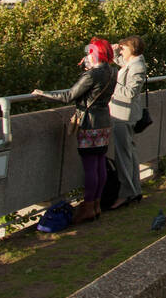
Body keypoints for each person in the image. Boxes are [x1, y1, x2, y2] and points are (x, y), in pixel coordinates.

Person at [32, 38, 117, 224]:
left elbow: (68, 96)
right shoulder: (113, 71)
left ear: (95, 54)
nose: (87, 56)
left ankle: (87, 207)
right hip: (104, 121)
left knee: (90, 167)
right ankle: (96, 205)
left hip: (89, 124)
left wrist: (41, 95)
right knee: (100, 163)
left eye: (90, 52)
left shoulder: (92, 75)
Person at [107, 35, 148, 210]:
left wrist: (110, 83)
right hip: (123, 114)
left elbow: (130, 92)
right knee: (129, 154)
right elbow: (115, 60)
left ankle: (126, 194)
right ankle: (135, 190)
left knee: (123, 157)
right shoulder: (131, 63)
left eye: (123, 48)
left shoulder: (137, 66)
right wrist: (112, 48)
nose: (121, 51)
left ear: (132, 48)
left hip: (124, 116)